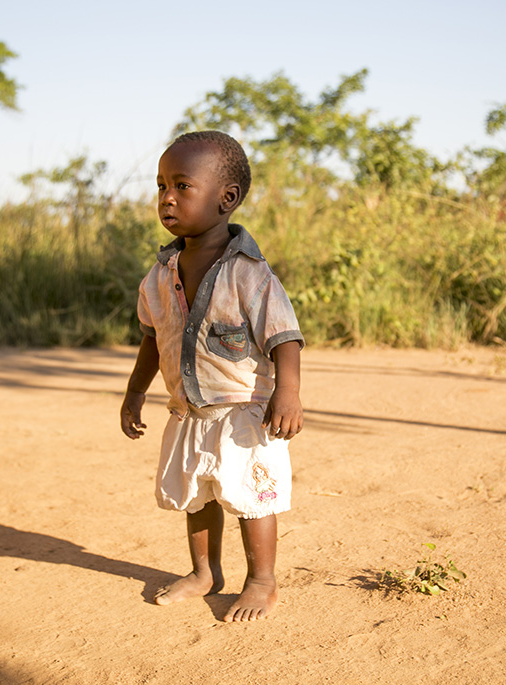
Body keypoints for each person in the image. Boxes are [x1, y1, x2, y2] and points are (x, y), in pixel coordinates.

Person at [120, 130, 304, 622]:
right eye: (161, 186)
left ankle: (262, 581)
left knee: (250, 498)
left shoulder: (250, 273)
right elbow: (150, 339)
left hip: (244, 410)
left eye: (182, 186)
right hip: (188, 410)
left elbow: (284, 336)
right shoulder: (159, 276)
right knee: (196, 494)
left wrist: (288, 392)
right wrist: (134, 392)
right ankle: (205, 573)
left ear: (227, 198)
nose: (167, 198)